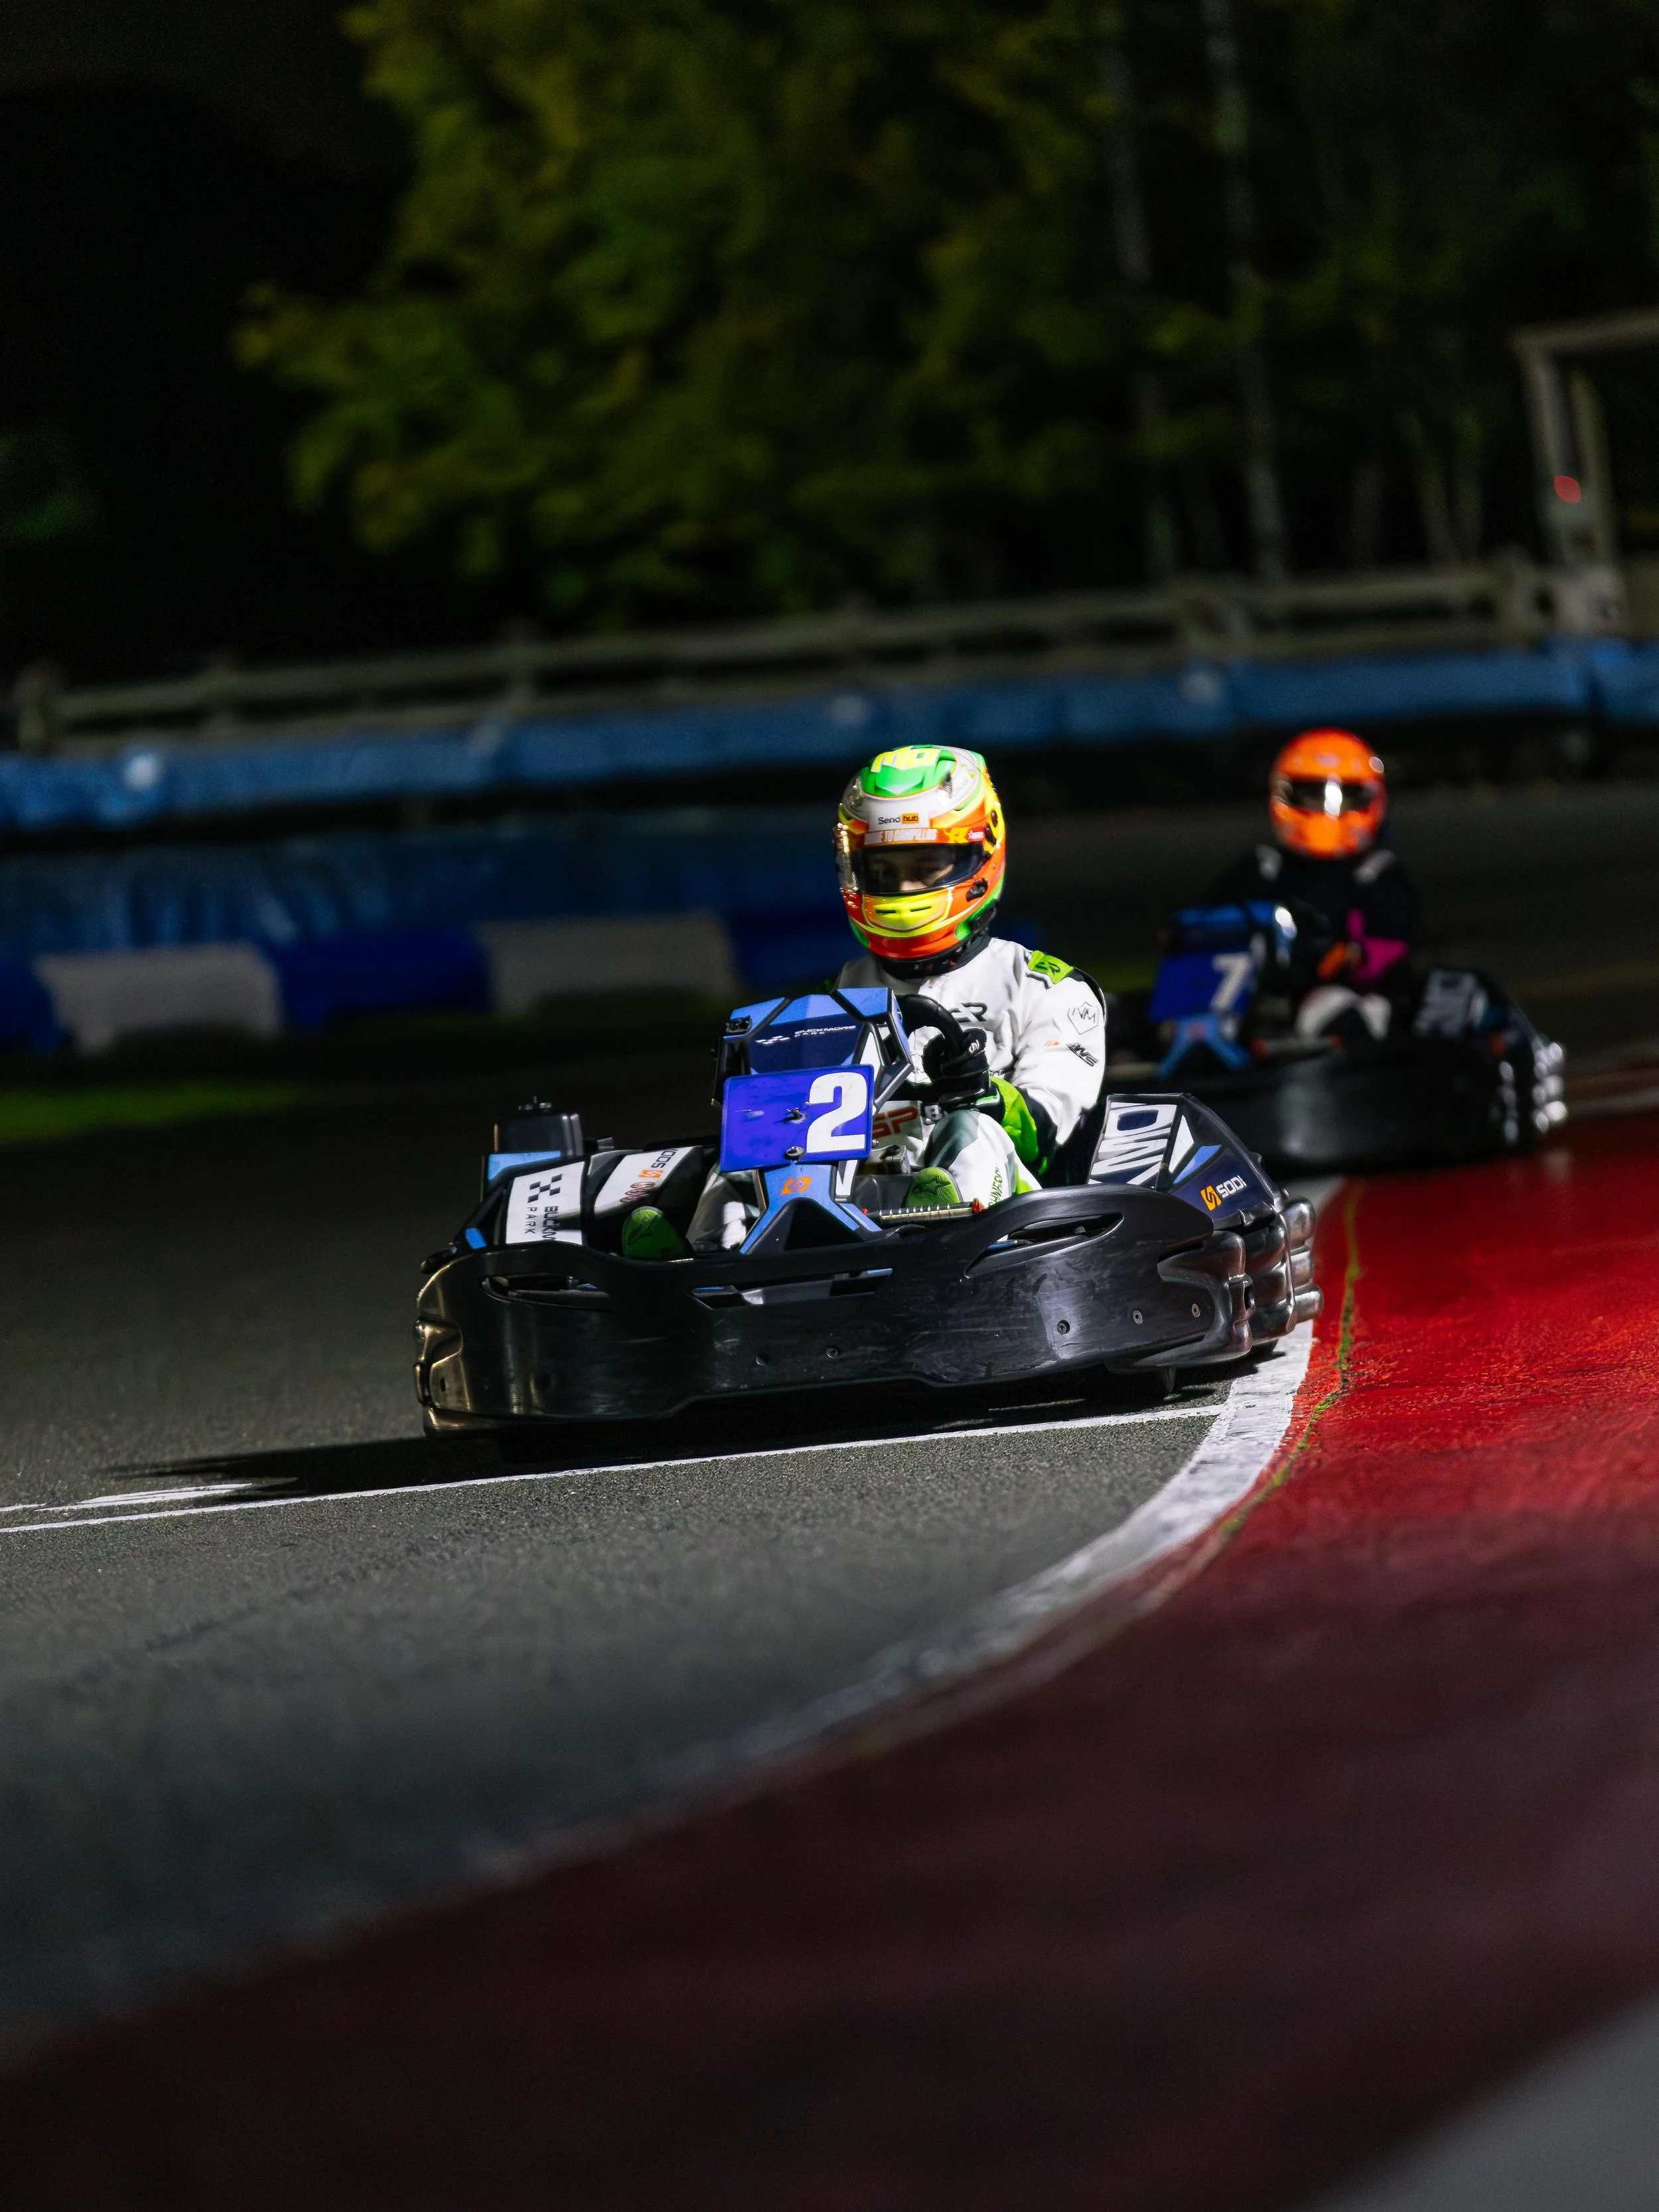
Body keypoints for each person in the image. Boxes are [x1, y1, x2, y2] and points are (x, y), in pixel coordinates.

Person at [624, 744, 1106, 1258]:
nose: (903, 888)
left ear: (979, 854)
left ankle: (938, 1234)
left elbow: (1052, 1128)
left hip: (1006, 1222)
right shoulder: (844, 991)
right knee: (750, 1146)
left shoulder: (1048, 988)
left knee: (973, 1128)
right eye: (884, 871)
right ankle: (708, 1261)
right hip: (854, 1197)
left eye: (925, 866)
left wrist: (979, 1088)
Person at [1207, 727, 1418, 1040]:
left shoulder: (1376, 872)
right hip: (1253, 997)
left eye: (1343, 797)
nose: (1325, 810)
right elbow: (1204, 923)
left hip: (1346, 997)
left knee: (1330, 1007)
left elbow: (1391, 947)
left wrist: (1342, 957)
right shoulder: (1264, 867)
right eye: (1311, 796)